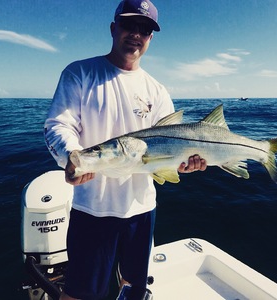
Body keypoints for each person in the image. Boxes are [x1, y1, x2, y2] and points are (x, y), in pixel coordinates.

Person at [44, 0, 207, 299]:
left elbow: (171, 149)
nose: (136, 34)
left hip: (142, 210)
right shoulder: (80, 73)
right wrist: (72, 156)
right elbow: (57, 125)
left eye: (144, 29)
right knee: (79, 293)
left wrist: (185, 164)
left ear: (150, 38)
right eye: (129, 25)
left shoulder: (157, 90)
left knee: (133, 288)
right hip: (92, 210)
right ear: (113, 27)